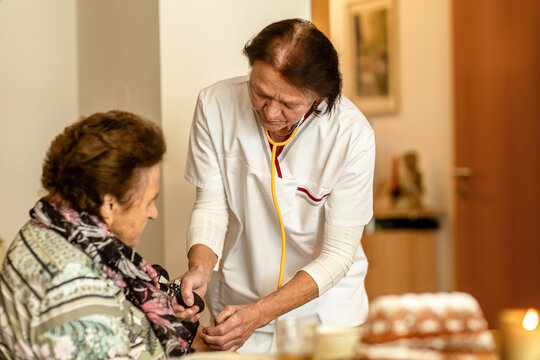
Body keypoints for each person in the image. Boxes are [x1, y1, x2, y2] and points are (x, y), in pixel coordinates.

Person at [177, 18, 375, 353]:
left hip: (326, 314)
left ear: (319, 98)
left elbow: (338, 253)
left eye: (289, 104)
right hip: (237, 308)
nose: (270, 112)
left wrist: (261, 312)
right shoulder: (215, 106)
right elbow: (210, 205)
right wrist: (200, 268)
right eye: (260, 92)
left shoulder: (352, 136)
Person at [0, 111, 207, 359]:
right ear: (109, 206)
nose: (153, 213)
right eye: (149, 201)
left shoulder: (46, 223)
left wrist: (157, 313)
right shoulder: (77, 294)